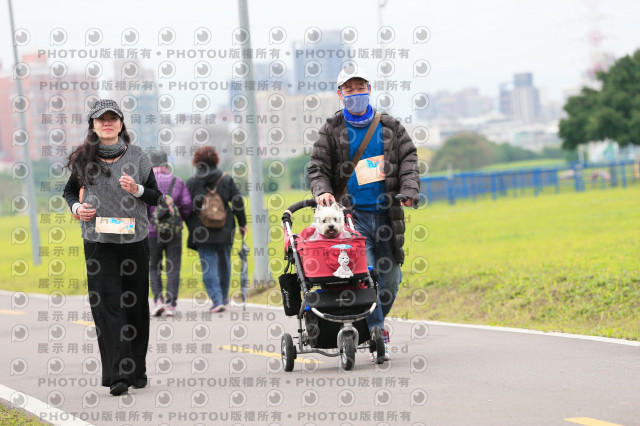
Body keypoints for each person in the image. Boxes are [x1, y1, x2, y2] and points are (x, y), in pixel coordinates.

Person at [307, 65, 420, 360]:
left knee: (391, 280)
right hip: (352, 220)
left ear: (369, 89)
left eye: (360, 87)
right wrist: (322, 191)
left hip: (387, 217)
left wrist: (409, 190)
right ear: (340, 94)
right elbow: (317, 168)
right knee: (365, 277)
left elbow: (409, 159)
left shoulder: (390, 127)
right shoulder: (331, 130)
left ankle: (370, 322)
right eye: (349, 89)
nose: (355, 93)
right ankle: (377, 332)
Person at [63, 99, 161, 396]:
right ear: (93, 126)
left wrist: (137, 189)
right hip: (98, 243)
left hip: (134, 241)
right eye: (101, 119)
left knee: (135, 307)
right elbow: (69, 192)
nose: (107, 123)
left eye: (112, 118)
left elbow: (155, 196)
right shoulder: (83, 159)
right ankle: (118, 375)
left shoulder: (138, 156)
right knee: (107, 307)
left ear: (121, 124)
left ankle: (137, 370)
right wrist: (77, 208)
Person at [185, 146, 247, 313]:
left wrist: (192, 226)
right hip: (225, 228)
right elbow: (237, 202)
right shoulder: (226, 179)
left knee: (209, 265)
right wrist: (242, 224)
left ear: (197, 161)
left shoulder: (192, 182)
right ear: (215, 160)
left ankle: (217, 300)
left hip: (201, 231)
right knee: (224, 263)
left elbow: (186, 207)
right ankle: (224, 298)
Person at [146, 151, 192, 317]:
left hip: (152, 232)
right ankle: (171, 305)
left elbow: (142, 206)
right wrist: (179, 219)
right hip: (174, 232)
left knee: (153, 267)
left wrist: (149, 221)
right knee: (173, 267)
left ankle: (158, 301)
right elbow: (187, 204)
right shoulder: (177, 181)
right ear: (166, 164)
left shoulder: (147, 183)